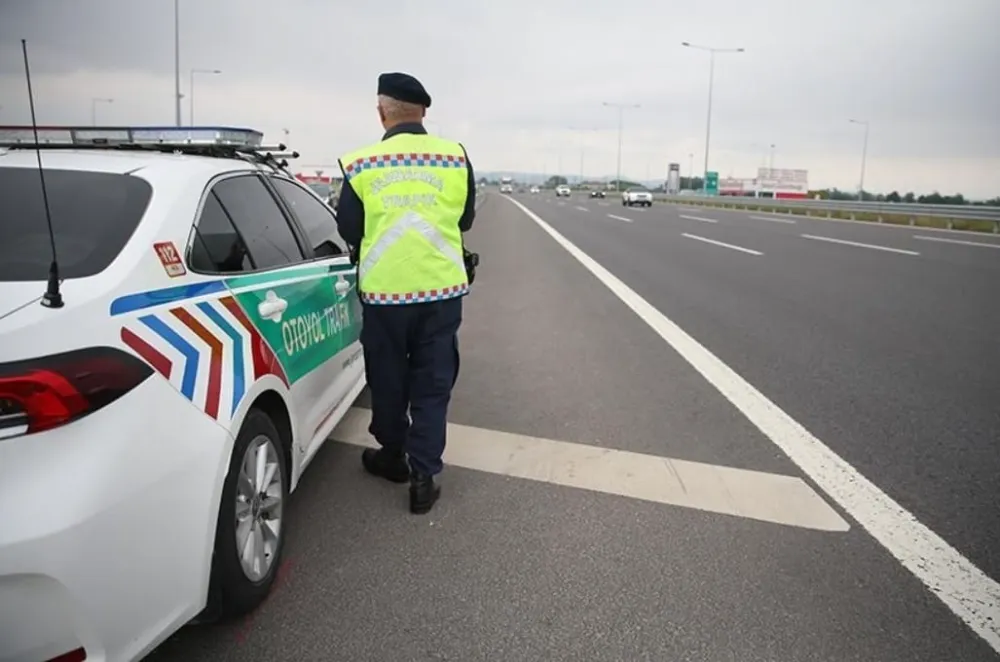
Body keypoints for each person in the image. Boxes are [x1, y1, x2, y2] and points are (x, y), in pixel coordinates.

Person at [335, 72, 477, 515]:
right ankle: (423, 477)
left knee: (388, 378)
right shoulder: (455, 157)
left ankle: (392, 456)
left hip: (384, 296)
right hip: (440, 292)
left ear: (382, 113)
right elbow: (466, 219)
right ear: (424, 113)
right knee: (433, 383)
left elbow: (348, 229)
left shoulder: (360, 164)